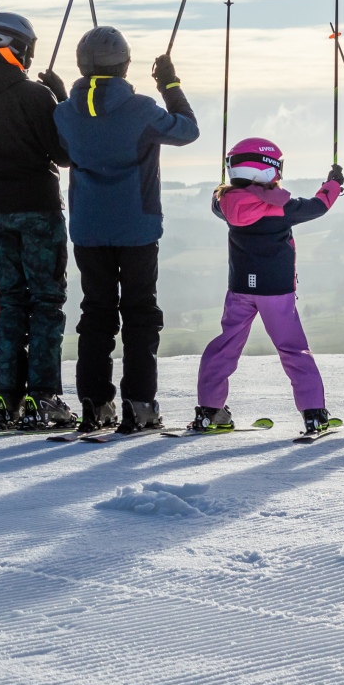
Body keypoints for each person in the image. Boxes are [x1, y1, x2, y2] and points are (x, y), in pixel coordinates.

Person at [53, 26, 199, 434]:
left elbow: (68, 152)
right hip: (137, 228)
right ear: (125, 65)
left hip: (88, 230)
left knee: (95, 315)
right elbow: (188, 129)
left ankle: (94, 404)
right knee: (140, 315)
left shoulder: (64, 112)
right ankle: (140, 405)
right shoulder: (142, 109)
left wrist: (63, 94)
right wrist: (170, 83)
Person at [0, 12, 75, 430]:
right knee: (46, 301)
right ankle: (44, 398)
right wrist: (60, 99)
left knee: (10, 301)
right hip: (37, 206)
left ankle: (6, 400)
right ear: (21, 47)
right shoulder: (35, 95)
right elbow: (63, 154)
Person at [196, 138, 341, 436]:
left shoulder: (223, 204)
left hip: (239, 288)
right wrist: (333, 184)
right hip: (275, 291)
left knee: (225, 346)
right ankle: (313, 413)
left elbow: (216, 198)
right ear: (266, 170)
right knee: (293, 348)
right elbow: (318, 206)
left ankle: (210, 412)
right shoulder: (281, 208)